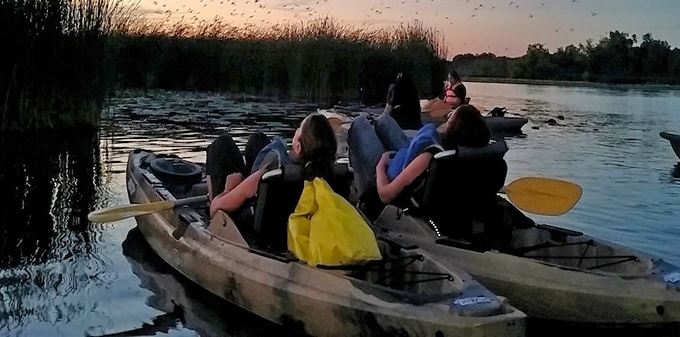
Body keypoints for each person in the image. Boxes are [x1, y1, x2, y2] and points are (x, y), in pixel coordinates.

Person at [347, 104, 490, 213]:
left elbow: (386, 195)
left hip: (384, 186)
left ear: (453, 129)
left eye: (449, 119)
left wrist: (380, 166)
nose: (447, 117)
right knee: (383, 121)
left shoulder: (429, 156)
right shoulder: (457, 152)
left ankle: (362, 199)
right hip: (405, 166)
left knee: (359, 123)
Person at [206, 113, 338, 218]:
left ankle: (214, 203)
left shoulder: (270, 175)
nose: (295, 130)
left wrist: (229, 190)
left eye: (299, 129)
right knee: (258, 139)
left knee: (221, 145)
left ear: (298, 147)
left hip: (252, 227)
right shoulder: (334, 174)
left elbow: (215, 209)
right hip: (291, 218)